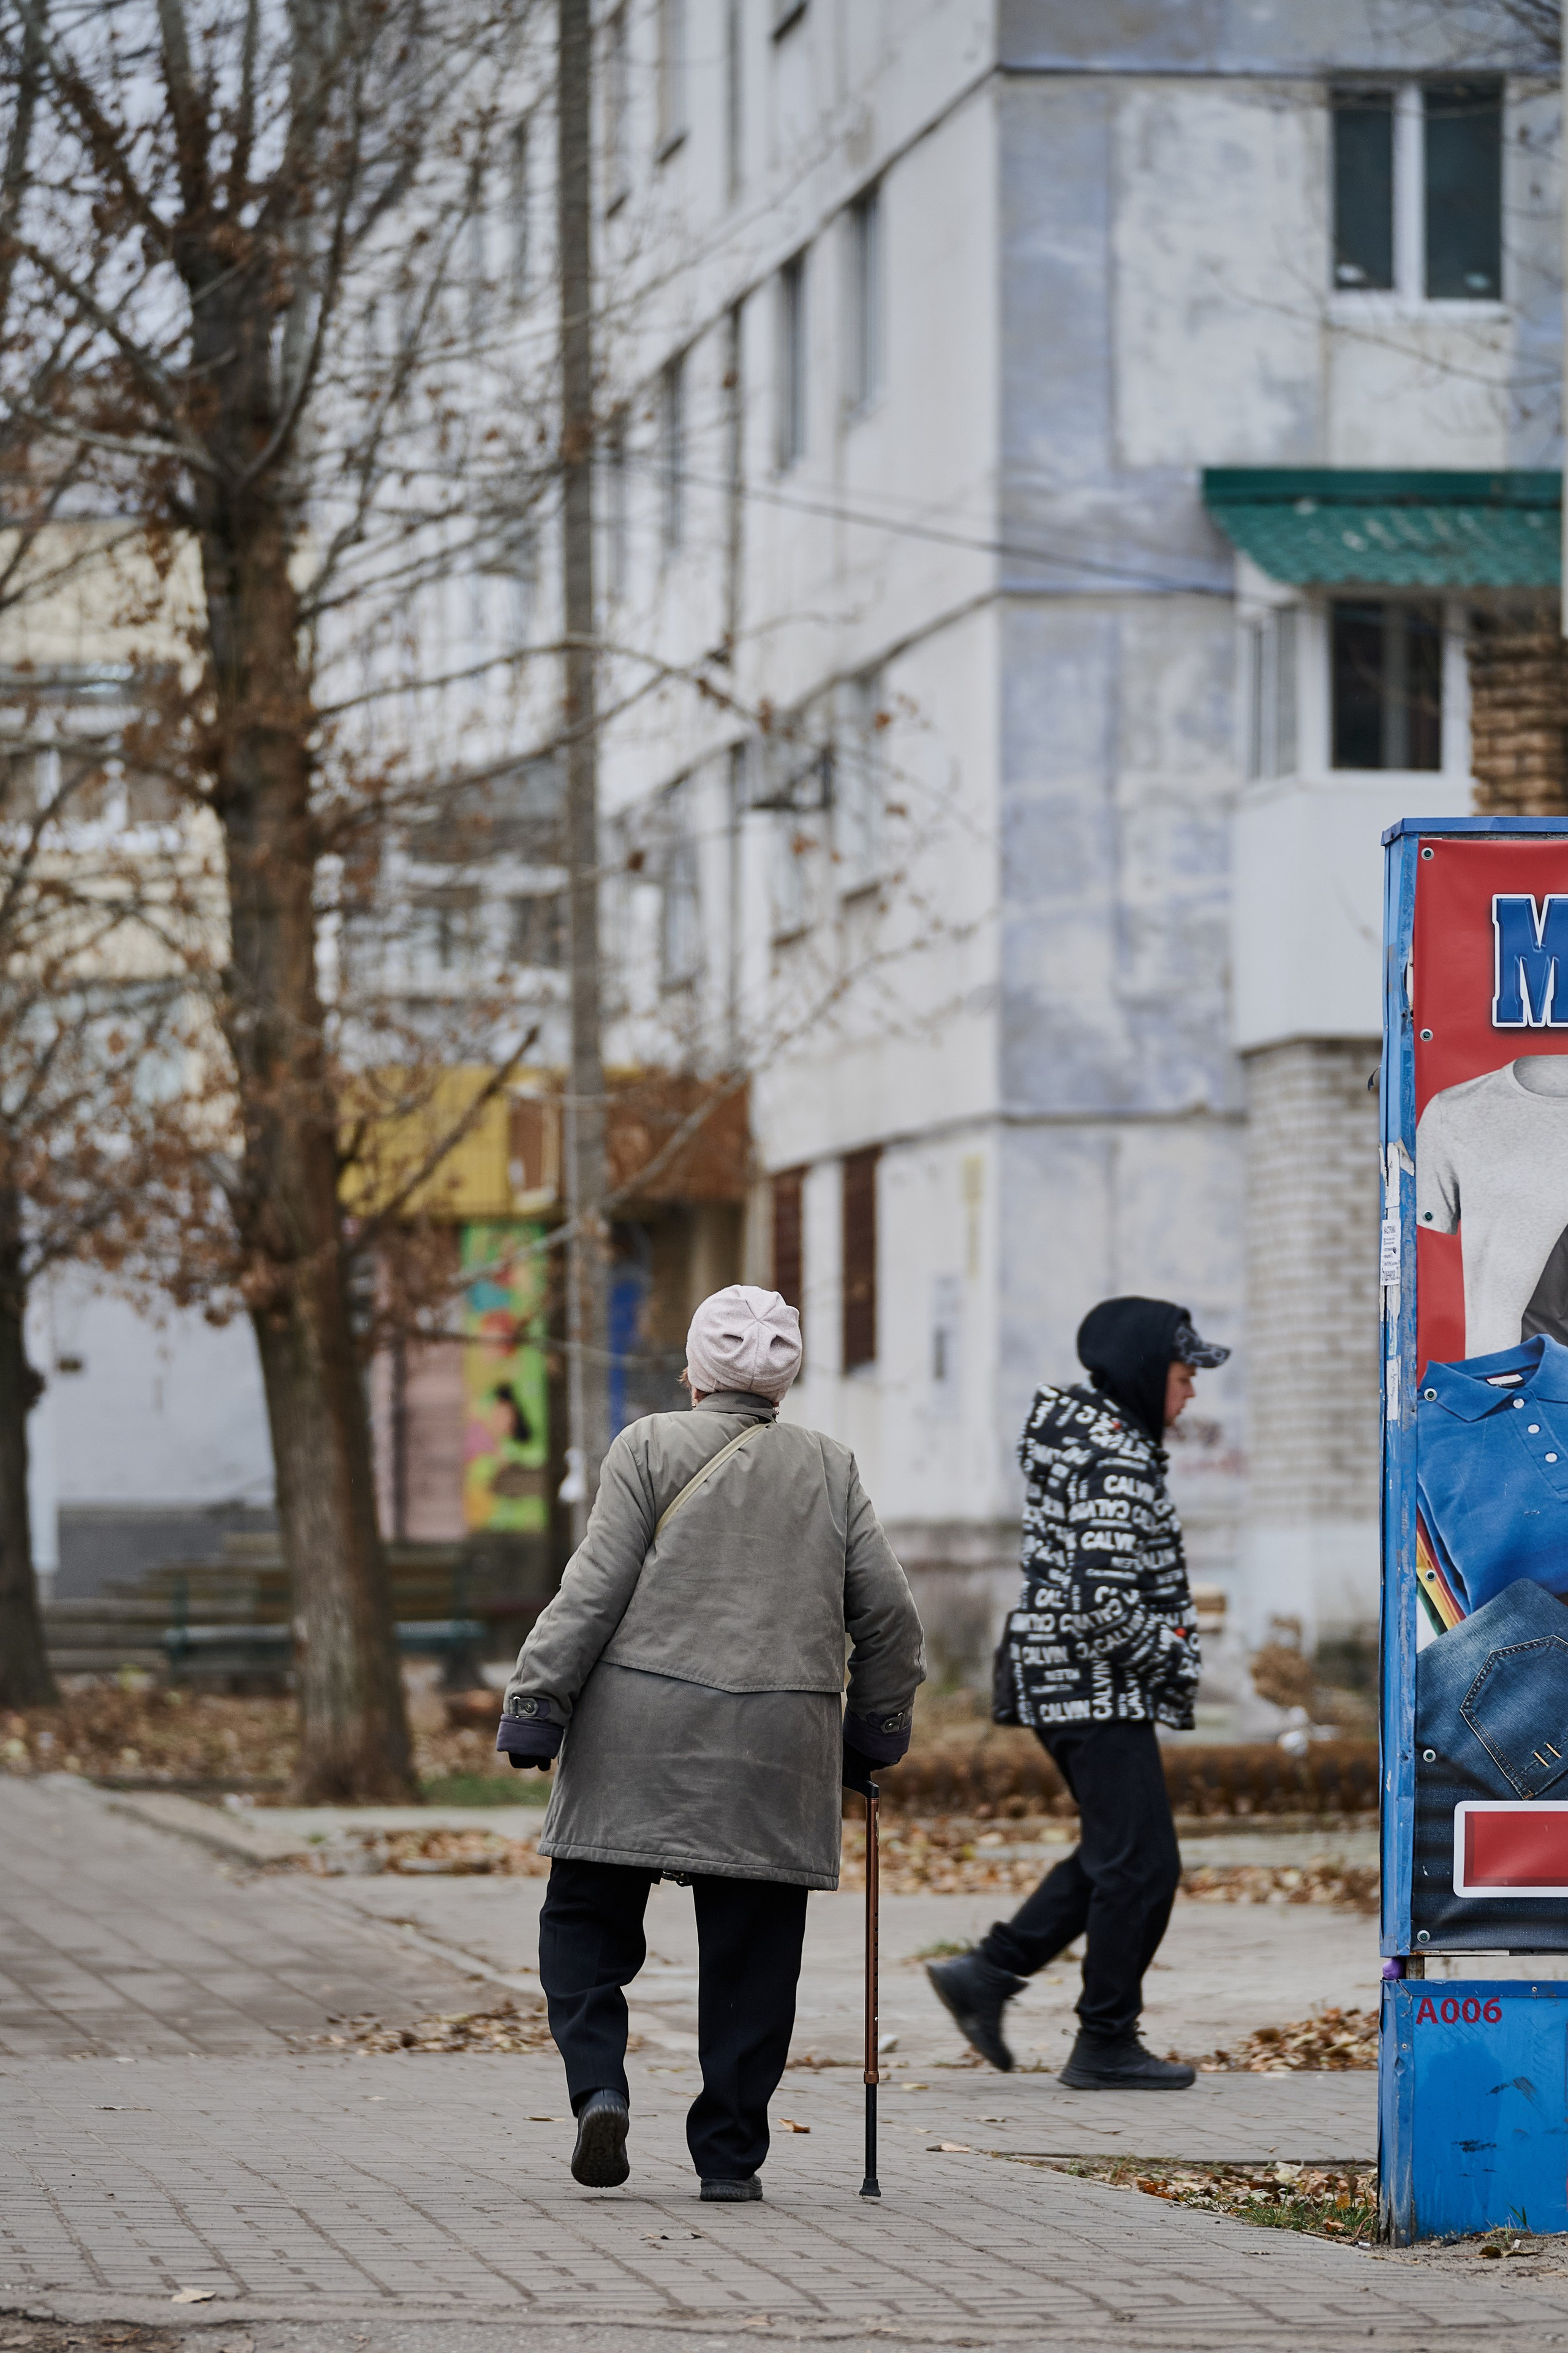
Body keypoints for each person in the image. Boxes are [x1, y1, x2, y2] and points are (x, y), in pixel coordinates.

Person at [496, 1283, 925, 2200]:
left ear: (693, 1370)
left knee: (583, 1922)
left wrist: (537, 1702)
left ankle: (601, 2086)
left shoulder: (648, 1445)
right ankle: (730, 2158)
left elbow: (594, 1588)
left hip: (636, 1735)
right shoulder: (832, 1465)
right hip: (779, 1742)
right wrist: (876, 1733)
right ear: (785, 1377)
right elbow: (888, 1615)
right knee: (754, 1954)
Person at [927, 1296, 1229, 2091]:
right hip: (1089, 1684)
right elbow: (1102, 1602)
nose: (1192, 1390)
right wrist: (1174, 1649)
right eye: (1183, 1372)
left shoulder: (1097, 1438)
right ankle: (1104, 2039)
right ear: (1143, 1369)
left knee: (1116, 1854)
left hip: (1070, 1677)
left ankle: (987, 1975)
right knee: (1143, 1865)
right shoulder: (1115, 1455)